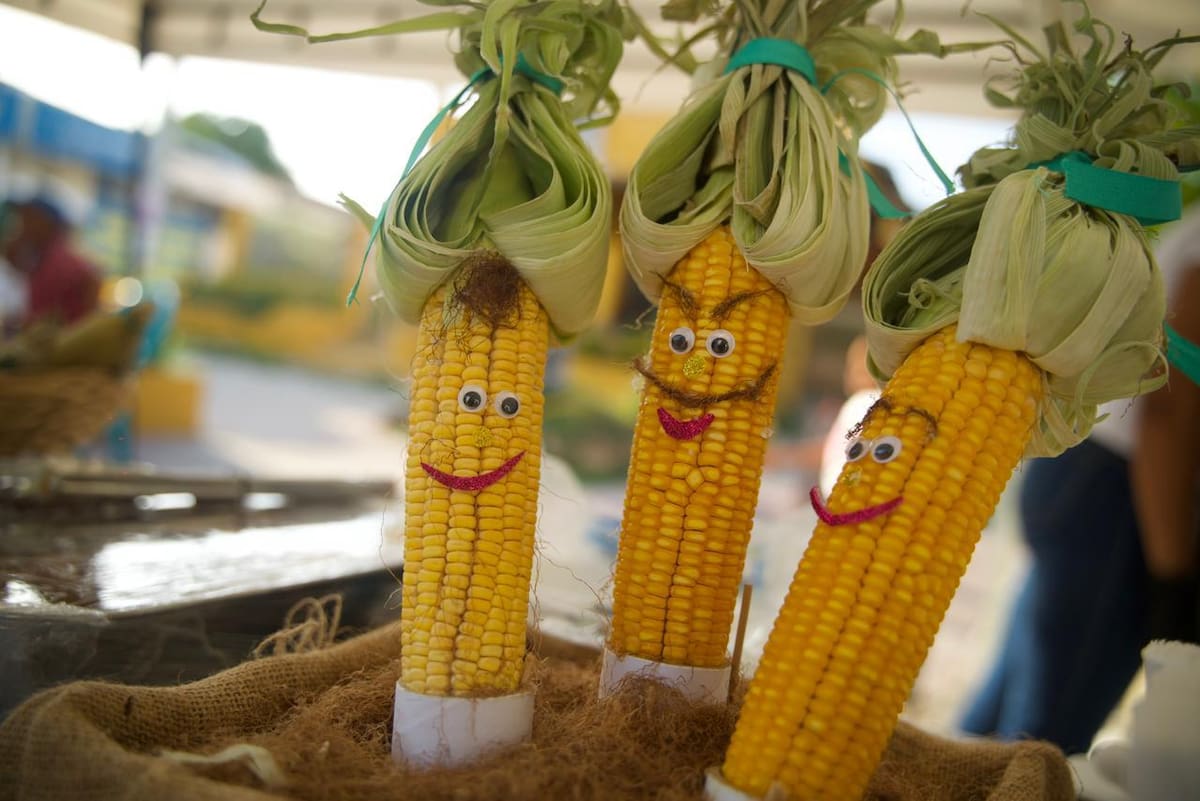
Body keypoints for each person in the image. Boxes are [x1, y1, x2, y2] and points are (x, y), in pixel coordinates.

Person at [959, 205, 1200, 756]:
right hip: (1119, 493)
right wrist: (1174, 578)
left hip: (1092, 479)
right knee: (1043, 739)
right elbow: (1169, 412)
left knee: (1005, 719)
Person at [2, 193, 100, 328]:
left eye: (27, 217)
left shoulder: (60, 264)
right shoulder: (45, 257)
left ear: (43, 223)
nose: (21, 224)